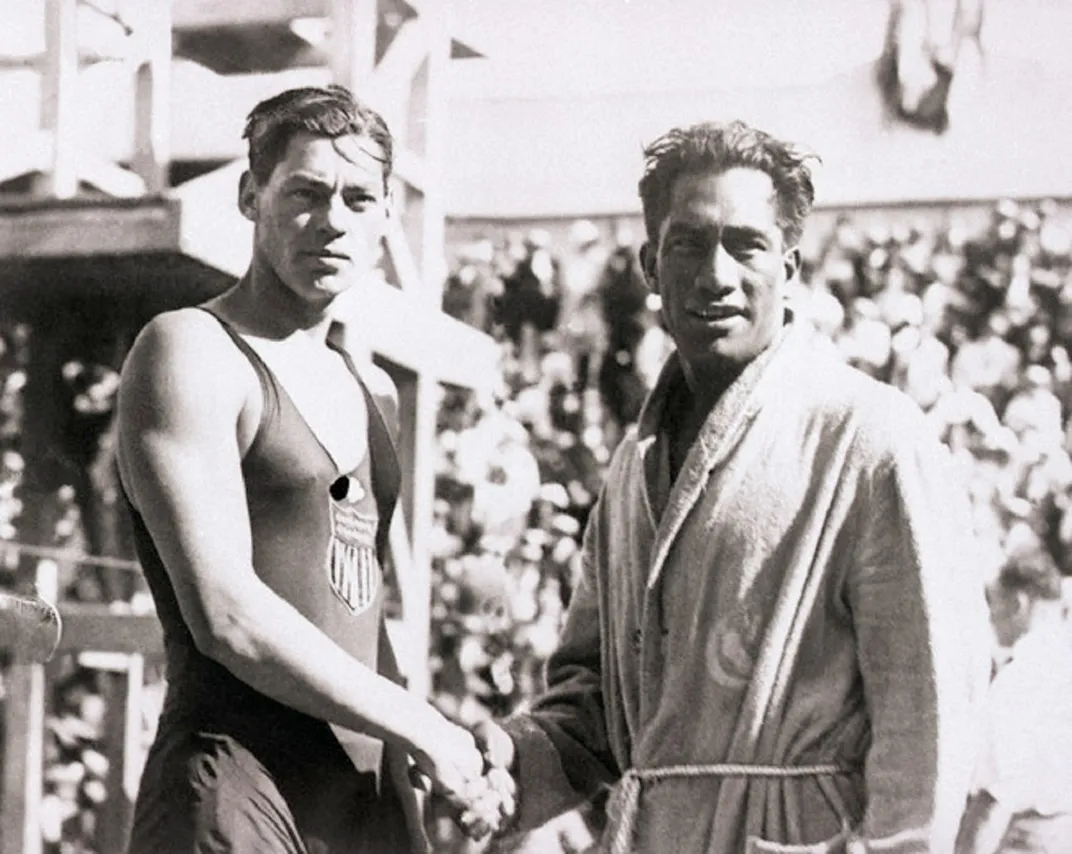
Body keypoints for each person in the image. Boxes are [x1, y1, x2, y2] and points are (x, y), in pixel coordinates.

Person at [475, 120, 992, 853]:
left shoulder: (872, 438)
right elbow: (600, 707)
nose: (716, 275)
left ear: (791, 263)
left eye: (745, 244)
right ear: (651, 264)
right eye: (688, 244)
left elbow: (929, 727)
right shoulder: (631, 470)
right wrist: (506, 761)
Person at [116, 85, 498, 854]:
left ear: (388, 214)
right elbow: (227, 617)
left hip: (361, 800)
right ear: (251, 195)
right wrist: (423, 724)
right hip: (235, 788)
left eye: (360, 198)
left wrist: (418, 766)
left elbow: (358, 611)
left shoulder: (372, 389)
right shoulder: (191, 350)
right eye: (307, 193)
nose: (334, 221)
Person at [955, 550, 1072, 854]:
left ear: (1017, 604)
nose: (989, 616)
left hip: (1025, 842)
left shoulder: (1023, 676)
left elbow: (993, 801)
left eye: (992, 602)